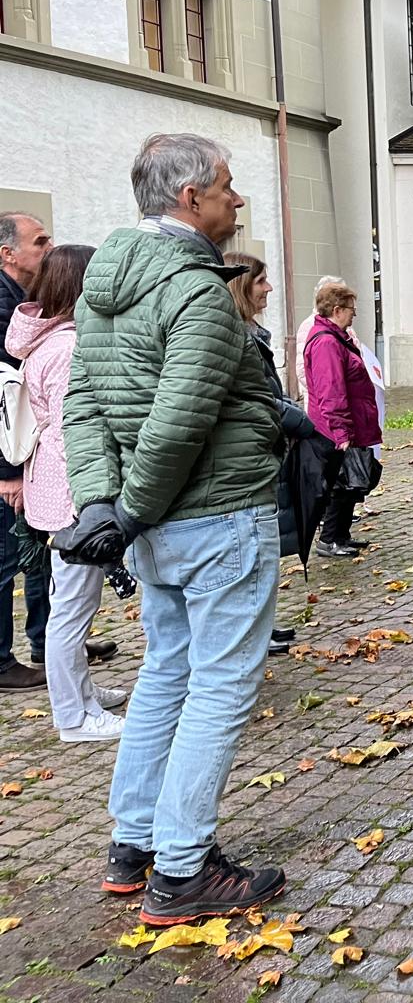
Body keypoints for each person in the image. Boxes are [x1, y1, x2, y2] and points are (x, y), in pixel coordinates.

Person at [64, 132, 285, 921]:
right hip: (217, 516)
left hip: (158, 524)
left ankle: (134, 843)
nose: (237, 200)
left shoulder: (102, 287)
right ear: (190, 199)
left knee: (166, 674)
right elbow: (179, 419)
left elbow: (84, 406)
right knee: (219, 688)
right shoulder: (197, 292)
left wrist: (104, 504)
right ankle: (183, 868)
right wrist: (122, 511)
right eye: (226, 187)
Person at [6, 244, 129, 739]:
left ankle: (80, 693)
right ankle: (74, 716)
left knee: (73, 603)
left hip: (59, 489)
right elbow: (71, 432)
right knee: (72, 608)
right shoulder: (66, 348)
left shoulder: (51, 341)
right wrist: (91, 499)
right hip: (71, 494)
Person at [224, 252, 325, 655]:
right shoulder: (238, 336)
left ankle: (259, 626)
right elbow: (262, 399)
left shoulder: (251, 332)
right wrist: (303, 423)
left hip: (266, 451)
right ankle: (251, 633)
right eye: (260, 281)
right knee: (250, 552)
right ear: (241, 287)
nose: (268, 288)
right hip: (251, 456)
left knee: (263, 552)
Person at [0, 211, 58, 690]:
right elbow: (3, 398)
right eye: (39, 241)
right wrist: (7, 472)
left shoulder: (27, 297)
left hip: (29, 450)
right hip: (9, 456)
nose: (48, 248)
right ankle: (1, 661)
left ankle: (47, 641)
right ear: (8, 253)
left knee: (39, 547)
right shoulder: (2, 306)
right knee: (5, 560)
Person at [303, 281, 381, 556]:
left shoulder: (335, 338)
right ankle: (329, 539)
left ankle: (342, 536)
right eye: (351, 310)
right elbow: (331, 390)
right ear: (337, 310)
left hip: (350, 425)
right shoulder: (326, 342)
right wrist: (341, 431)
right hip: (335, 430)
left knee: (351, 481)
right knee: (341, 484)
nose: (354, 315)